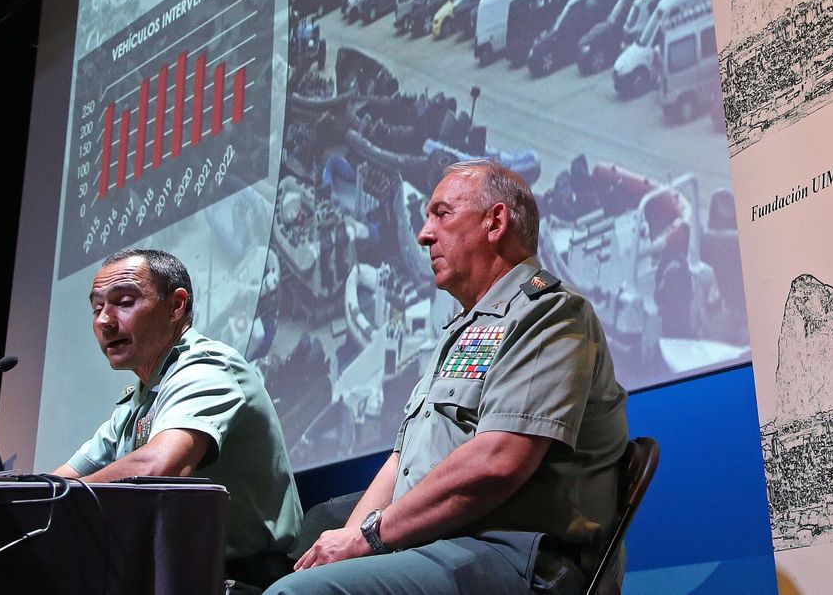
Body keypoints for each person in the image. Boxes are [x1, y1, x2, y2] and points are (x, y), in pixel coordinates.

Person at [268, 160, 629, 595]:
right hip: (446, 541)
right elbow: (401, 459)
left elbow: (498, 461)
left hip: (515, 554)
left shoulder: (548, 314)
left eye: (441, 214)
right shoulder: (466, 329)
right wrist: (347, 541)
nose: (423, 234)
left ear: (495, 222)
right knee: (306, 558)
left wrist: (369, 537)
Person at [53, 248, 303, 587]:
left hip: (241, 581)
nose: (104, 321)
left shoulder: (207, 368)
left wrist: (52, 501)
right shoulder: (135, 401)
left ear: (176, 305)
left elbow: (157, 470)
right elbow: (62, 480)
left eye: (123, 302)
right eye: (97, 308)